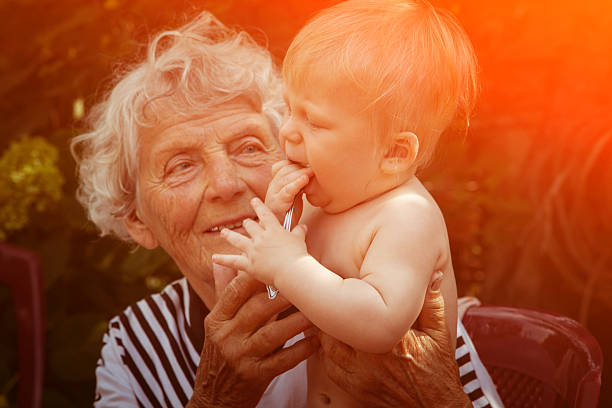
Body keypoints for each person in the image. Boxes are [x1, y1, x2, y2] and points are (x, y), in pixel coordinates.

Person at [71, 9, 497, 408]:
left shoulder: (382, 270)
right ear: (137, 220)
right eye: (181, 166)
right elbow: (251, 286)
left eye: (250, 147)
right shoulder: (134, 348)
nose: (226, 184)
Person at [211, 0, 477, 406]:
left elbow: (380, 325)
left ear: (395, 153)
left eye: (314, 121)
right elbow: (267, 306)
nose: (288, 133)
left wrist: (289, 265)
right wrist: (275, 225)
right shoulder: (322, 204)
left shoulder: (405, 217)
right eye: (289, 110)